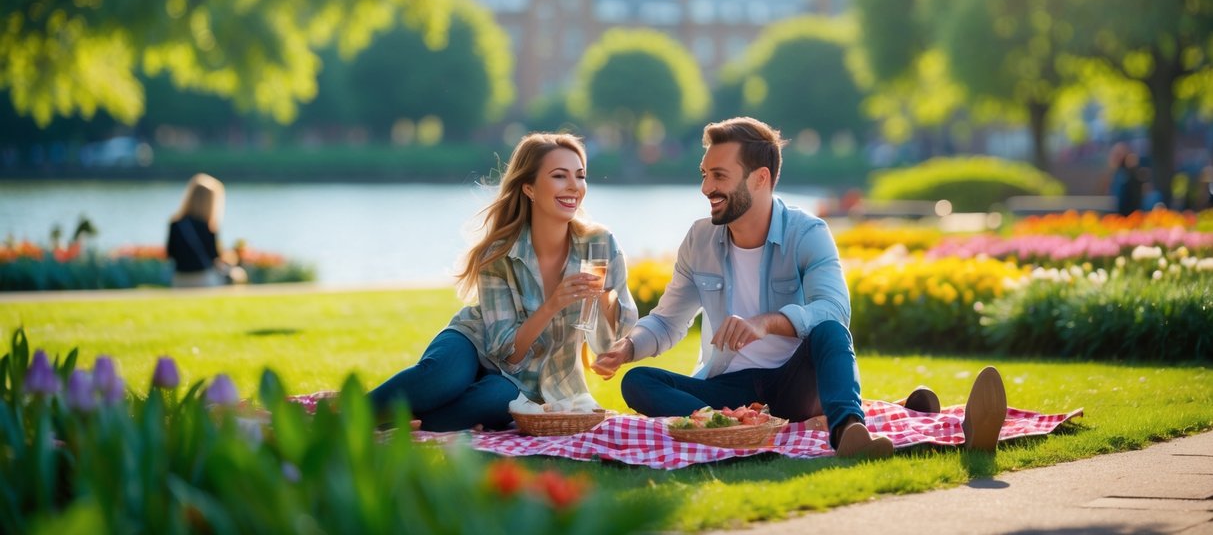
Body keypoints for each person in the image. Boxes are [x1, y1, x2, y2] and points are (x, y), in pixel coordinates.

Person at [591, 117, 1008, 458]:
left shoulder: (808, 233)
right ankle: (749, 426)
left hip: (796, 380)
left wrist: (768, 323)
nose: (706, 188)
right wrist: (628, 348)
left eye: (718, 175)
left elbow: (834, 310)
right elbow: (667, 320)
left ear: (760, 179)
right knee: (639, 381)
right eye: (704, 174)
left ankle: (847, 433)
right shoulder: (700, 240)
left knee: (829, 332)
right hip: (729, 389)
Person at [369, 132, 638, 431]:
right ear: (529, 188)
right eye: (560, 176)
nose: (574, 186)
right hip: (476, 342)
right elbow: (506, 353)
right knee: (441, 377)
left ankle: (400, 424)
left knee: (497, 399)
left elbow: (609, 338)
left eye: (580, 175)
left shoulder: (599, 243)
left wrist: (604, 297)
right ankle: (344, 414)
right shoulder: (499, 254)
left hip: (526, 383)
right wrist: (552, 305)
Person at [167, 173, 245, 287]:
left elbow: (170, 253)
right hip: (203, 278)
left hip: (180, 278)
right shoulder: (208, 226)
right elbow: (214, 256)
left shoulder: (176, 224)